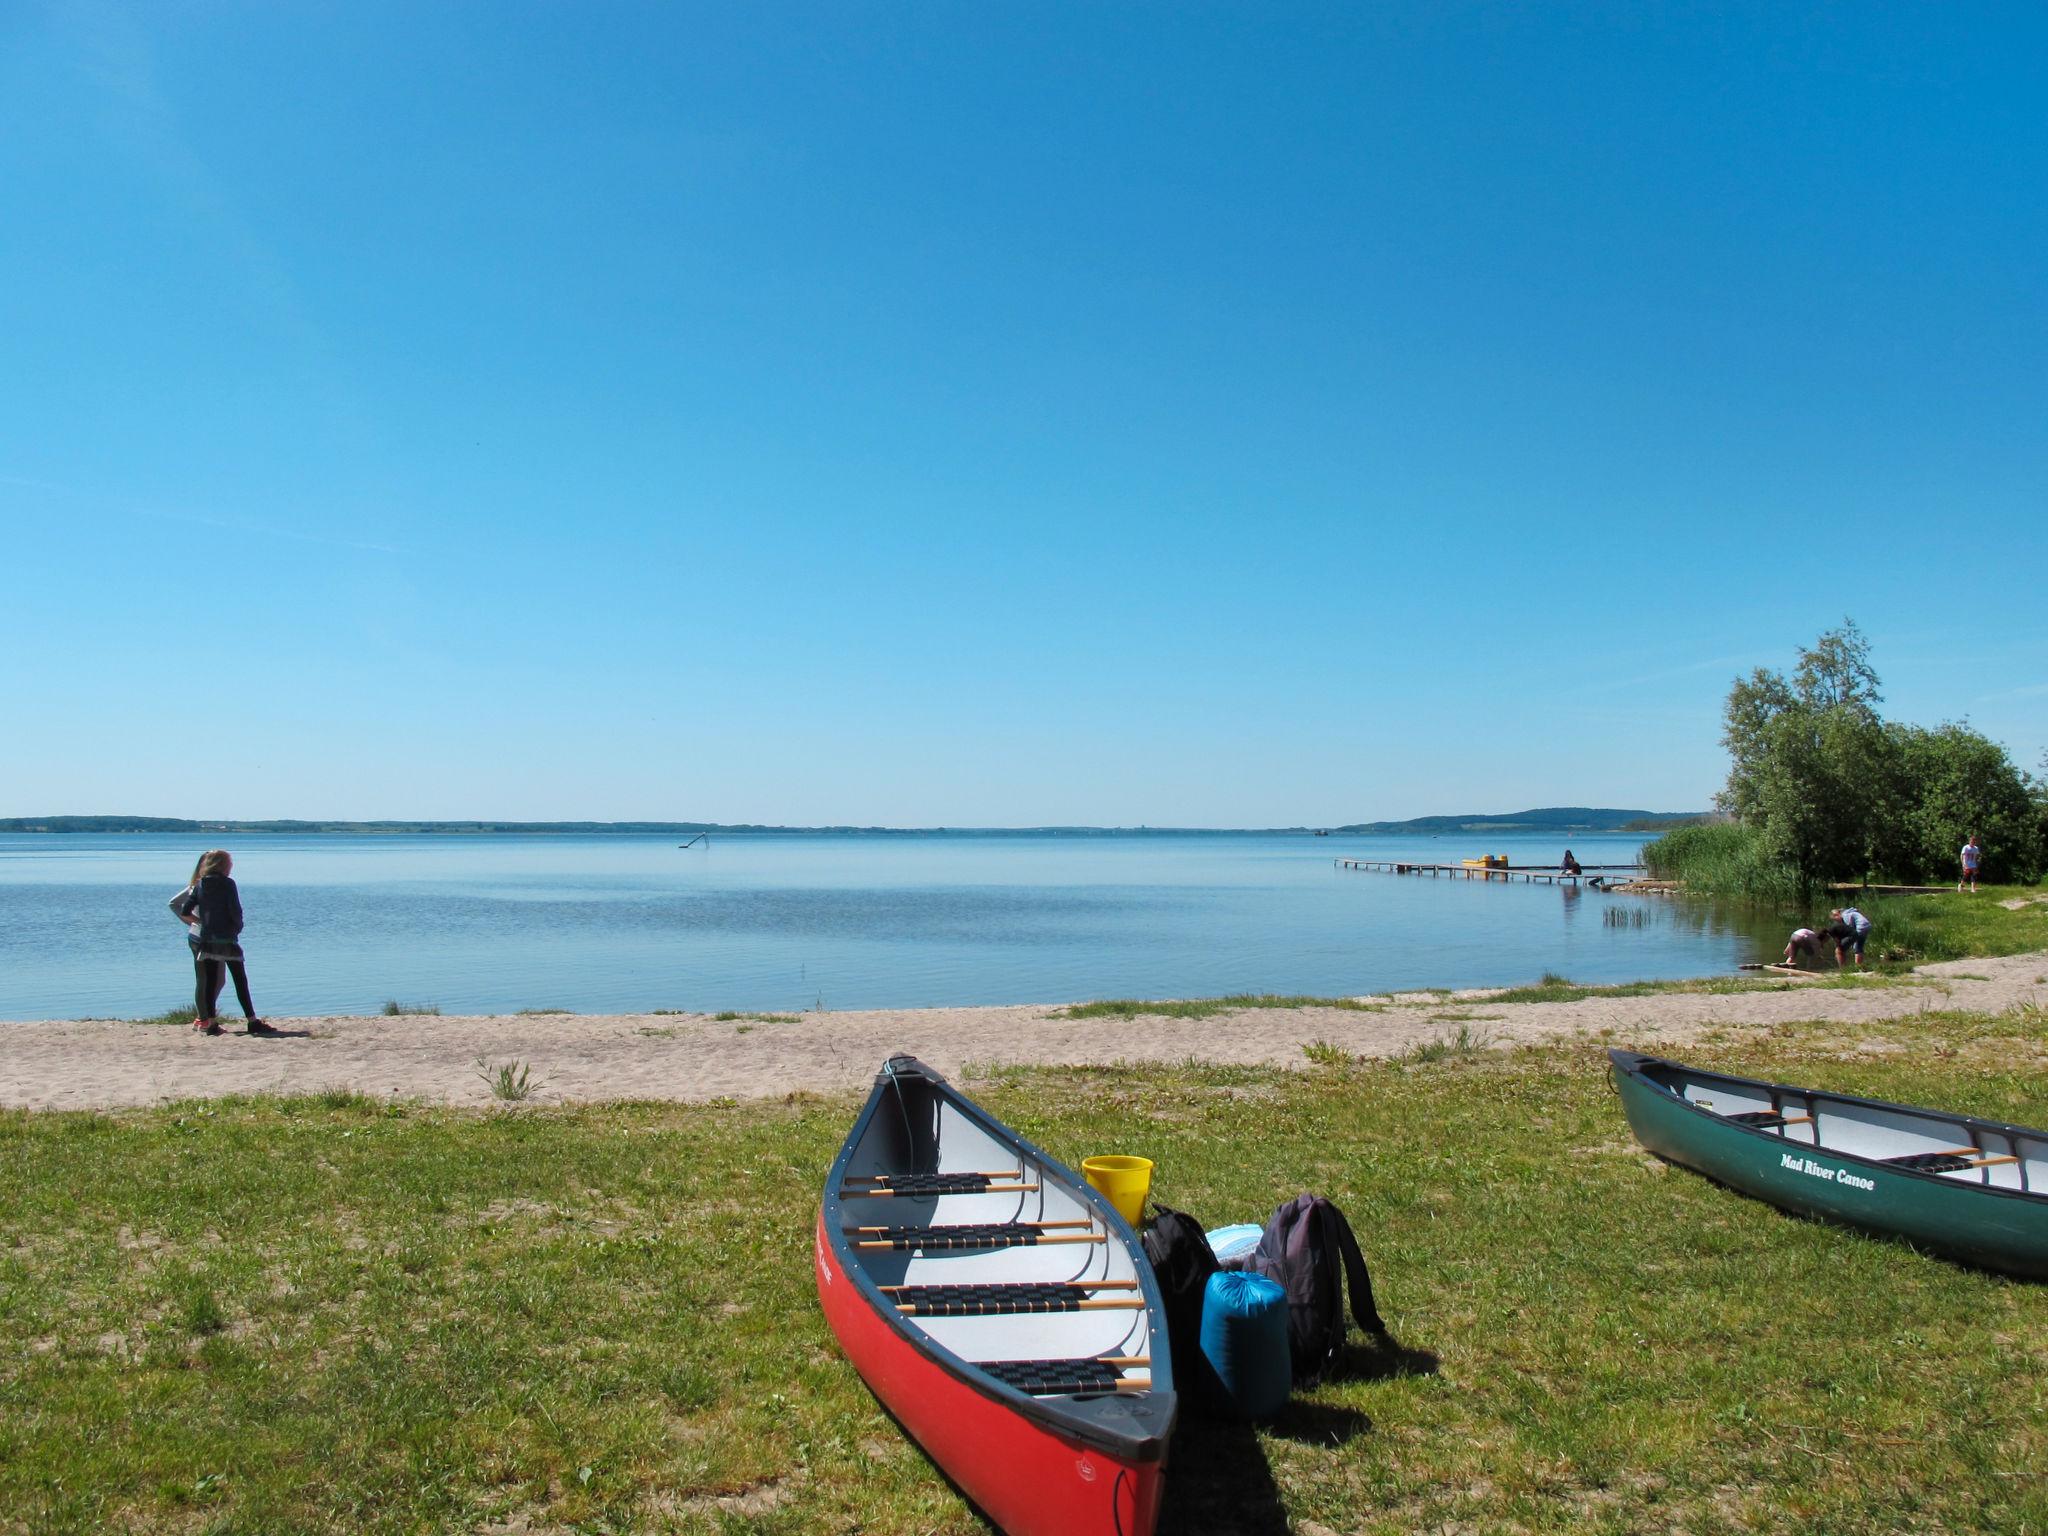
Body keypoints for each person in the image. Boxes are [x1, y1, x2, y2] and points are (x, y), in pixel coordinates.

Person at [169, 850, 275, 1035]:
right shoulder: (228, 884)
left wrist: (201, 923)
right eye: (230, 862)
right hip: (226, 938)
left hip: (207, 939)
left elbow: (184, 910)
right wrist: (236, 928)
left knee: (209, 981)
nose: (232, 865)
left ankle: (209, 1023)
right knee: (239, 980)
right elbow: (235, 909)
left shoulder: (200, 884)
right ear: (222, 865)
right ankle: (251, 1021)